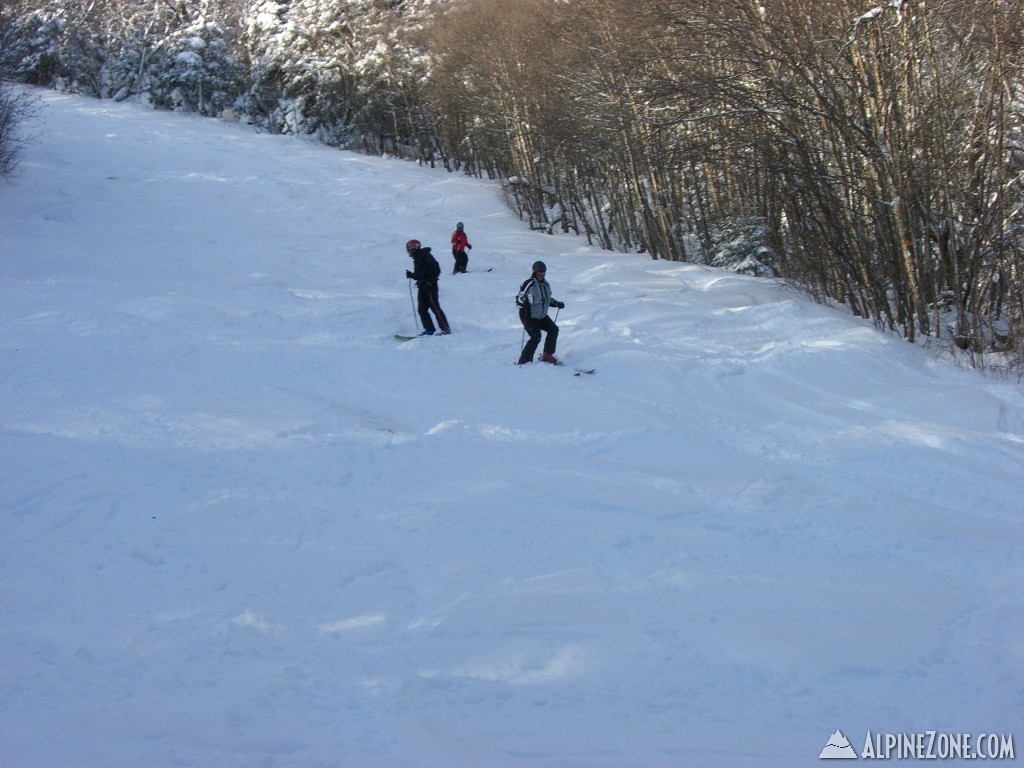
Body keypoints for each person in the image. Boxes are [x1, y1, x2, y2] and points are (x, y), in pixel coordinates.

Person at [516, 260, 564, 365]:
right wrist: (522, 302)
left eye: (543, 274)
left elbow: (546, 299)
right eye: (540, 274)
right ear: (534, 272)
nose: (542, 276)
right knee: (536, 337)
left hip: (541, 316)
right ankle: (524, 362)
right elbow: (519, 300)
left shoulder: (546, 284)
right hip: (528, 316)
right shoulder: (529, 284)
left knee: (553, 329)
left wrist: (556, 303)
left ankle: (548, 355)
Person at [405, 239, 450, 335]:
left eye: (409, 248)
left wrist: (429, 282)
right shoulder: (417, 258)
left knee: (435, 307)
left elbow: (436, 270)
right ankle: (429, 329)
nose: (408, 251)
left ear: (414, 248)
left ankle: (445, 328)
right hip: (422, 287)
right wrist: (412, 275)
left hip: (430, 286)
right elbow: (420, 274)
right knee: (422, 309)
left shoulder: (425, 255)